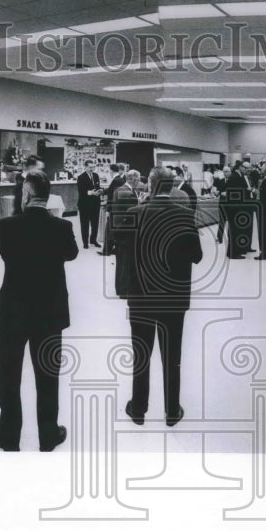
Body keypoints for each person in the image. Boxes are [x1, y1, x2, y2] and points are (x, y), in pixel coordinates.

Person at [0, 171, 78, 452]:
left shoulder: (8, 227)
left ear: (26, 195)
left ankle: (9, 436)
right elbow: (71, 254)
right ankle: (48, 435)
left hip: (13, 313)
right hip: (49, 313)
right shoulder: (62, 228)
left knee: (9, 376)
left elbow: (6, 254)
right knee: (48, 378)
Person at [115, 167, 202, 427]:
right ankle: (172, 411)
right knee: (171, 356)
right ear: (171, 186)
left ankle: (139, 409)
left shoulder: (134, 214)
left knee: (141, 354)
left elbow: (116, 243)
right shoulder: (185, 216)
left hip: (141, 295)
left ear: (150, 185)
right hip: (174, 297)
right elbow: (197, 255)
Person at [224, 160, 254, 258]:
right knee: (234, 231)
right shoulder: (235, 177)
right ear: (240, 167)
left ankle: (233, 252)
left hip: (234, 207)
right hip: (234, 208)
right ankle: (233, 253)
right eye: (244, 168)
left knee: (235, 230)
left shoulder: (236, 177)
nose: (246, 170)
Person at [100, 163, 126, 255]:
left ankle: (106, 251)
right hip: (118, 208)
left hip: (113, 208)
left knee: (109, 229)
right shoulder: (120, 179)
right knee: (111, 229)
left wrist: (108, 209)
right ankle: (110, 249)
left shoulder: (116, 180)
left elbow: (111, 196)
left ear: (111, 171)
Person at [76, 158, 103, 249]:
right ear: (86, 167)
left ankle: (93, 240)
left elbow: (97, 186)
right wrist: (92, 193)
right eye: (90, 167)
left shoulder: (96, 175)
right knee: (85, 224)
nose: (92, 169)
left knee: (95, 223)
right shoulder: (81, 177)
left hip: (95, 203)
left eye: (93, 167)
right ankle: (85, 242)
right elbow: (81, 191)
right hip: (84, 204)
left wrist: (100, 190)